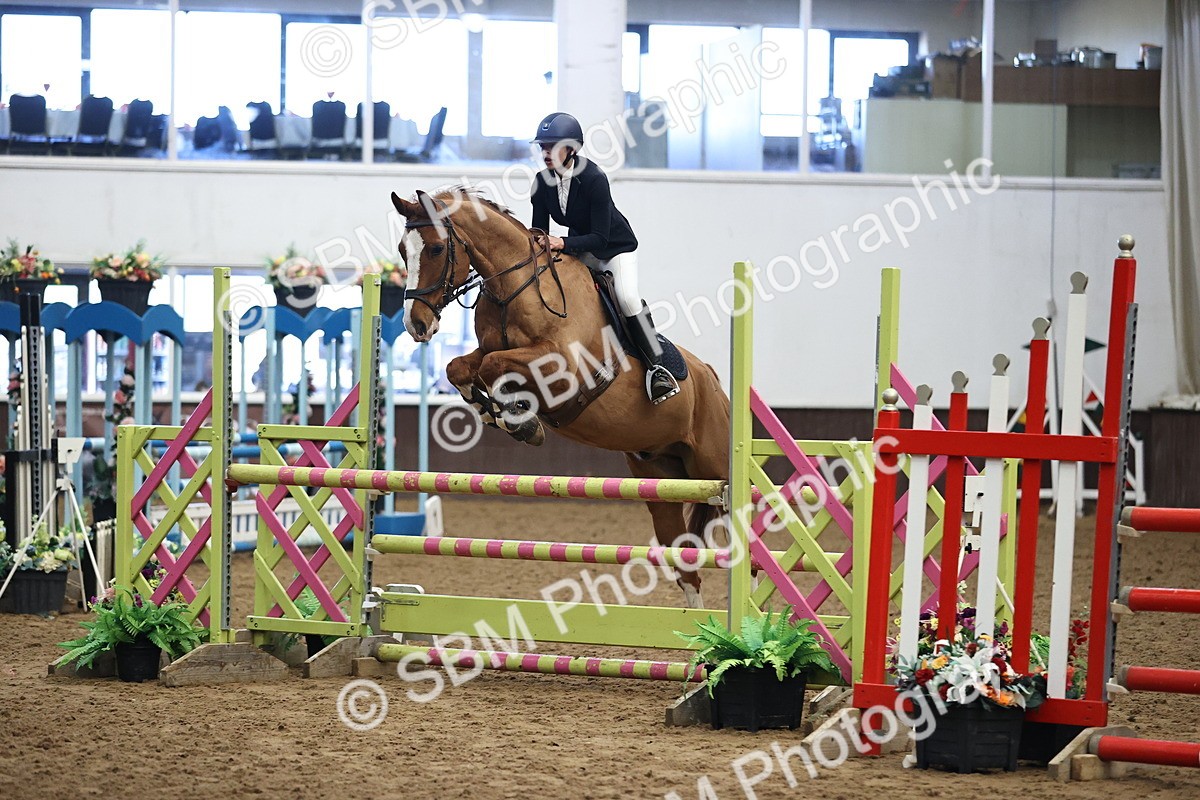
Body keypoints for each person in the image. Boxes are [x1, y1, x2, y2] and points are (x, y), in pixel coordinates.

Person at [530, 112, 679, 405]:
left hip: (614, 249)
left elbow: (600, 237)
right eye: (542, 147)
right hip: (579, 249)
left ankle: (657, 368)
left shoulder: (594, 178)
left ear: (571, 148)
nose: (545, 153)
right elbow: (539, 232)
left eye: (552, 146)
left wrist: (562, 242)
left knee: (626, 298)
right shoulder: (540, 182)